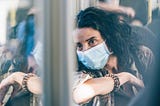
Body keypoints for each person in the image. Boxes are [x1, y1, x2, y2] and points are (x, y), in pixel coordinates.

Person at [72, 7, 154, 106]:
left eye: (92, 41)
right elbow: (79, 95)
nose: (85, 50)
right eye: (79, 46)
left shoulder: (141, 55)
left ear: (109, 40)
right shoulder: (82, 73)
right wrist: (126, 77)